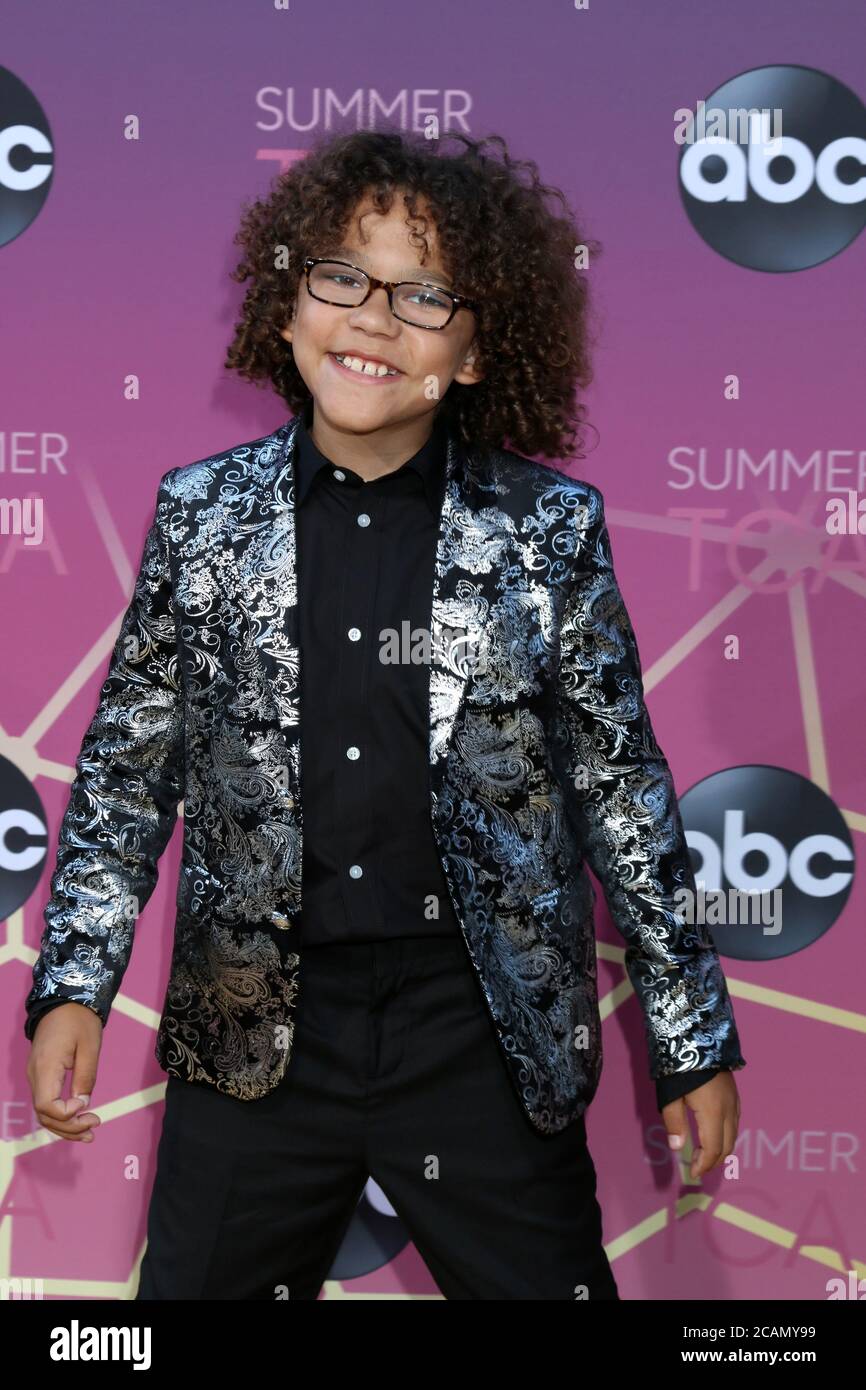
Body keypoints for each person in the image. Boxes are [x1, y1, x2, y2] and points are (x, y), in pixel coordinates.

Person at [24, 126, 745, 1300]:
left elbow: (621, 795)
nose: (371, 318)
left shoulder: (544, 531)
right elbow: (124, 772)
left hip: (478, 1034)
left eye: (422, 294)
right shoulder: (199, 517)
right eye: (341, 276)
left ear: (470, 354)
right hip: (255, 1031)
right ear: (291, 304)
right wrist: (72, 981)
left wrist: (690, 1037)